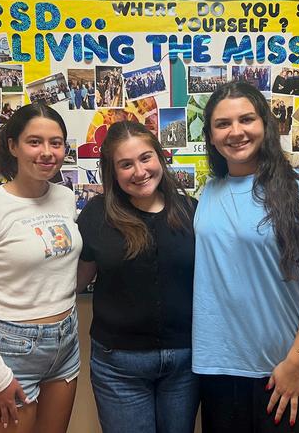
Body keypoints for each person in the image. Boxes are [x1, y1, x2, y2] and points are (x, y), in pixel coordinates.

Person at [194, 82, 299, 432]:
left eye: (246, 119)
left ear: (265, 124)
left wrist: (296, 363)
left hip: (286, 372)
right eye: (222, 124)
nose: (236, 132)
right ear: (211, 137)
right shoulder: (209, 192)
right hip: (219, 371)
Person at [0, 104, 82, 432]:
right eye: (34, 142)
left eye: (56, 143)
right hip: (12, 349)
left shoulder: (65, 197)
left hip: (66, 341)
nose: (47, 152)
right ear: (13, 146)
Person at [76, 121, 200, 433]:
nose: (140, 171)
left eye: (146, 158)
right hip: (119, 366)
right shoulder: (96, 215)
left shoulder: (192, 210)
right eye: (126, 164)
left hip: (184, 363)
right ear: (113, 171)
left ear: (160, 157)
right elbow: (77, 280)